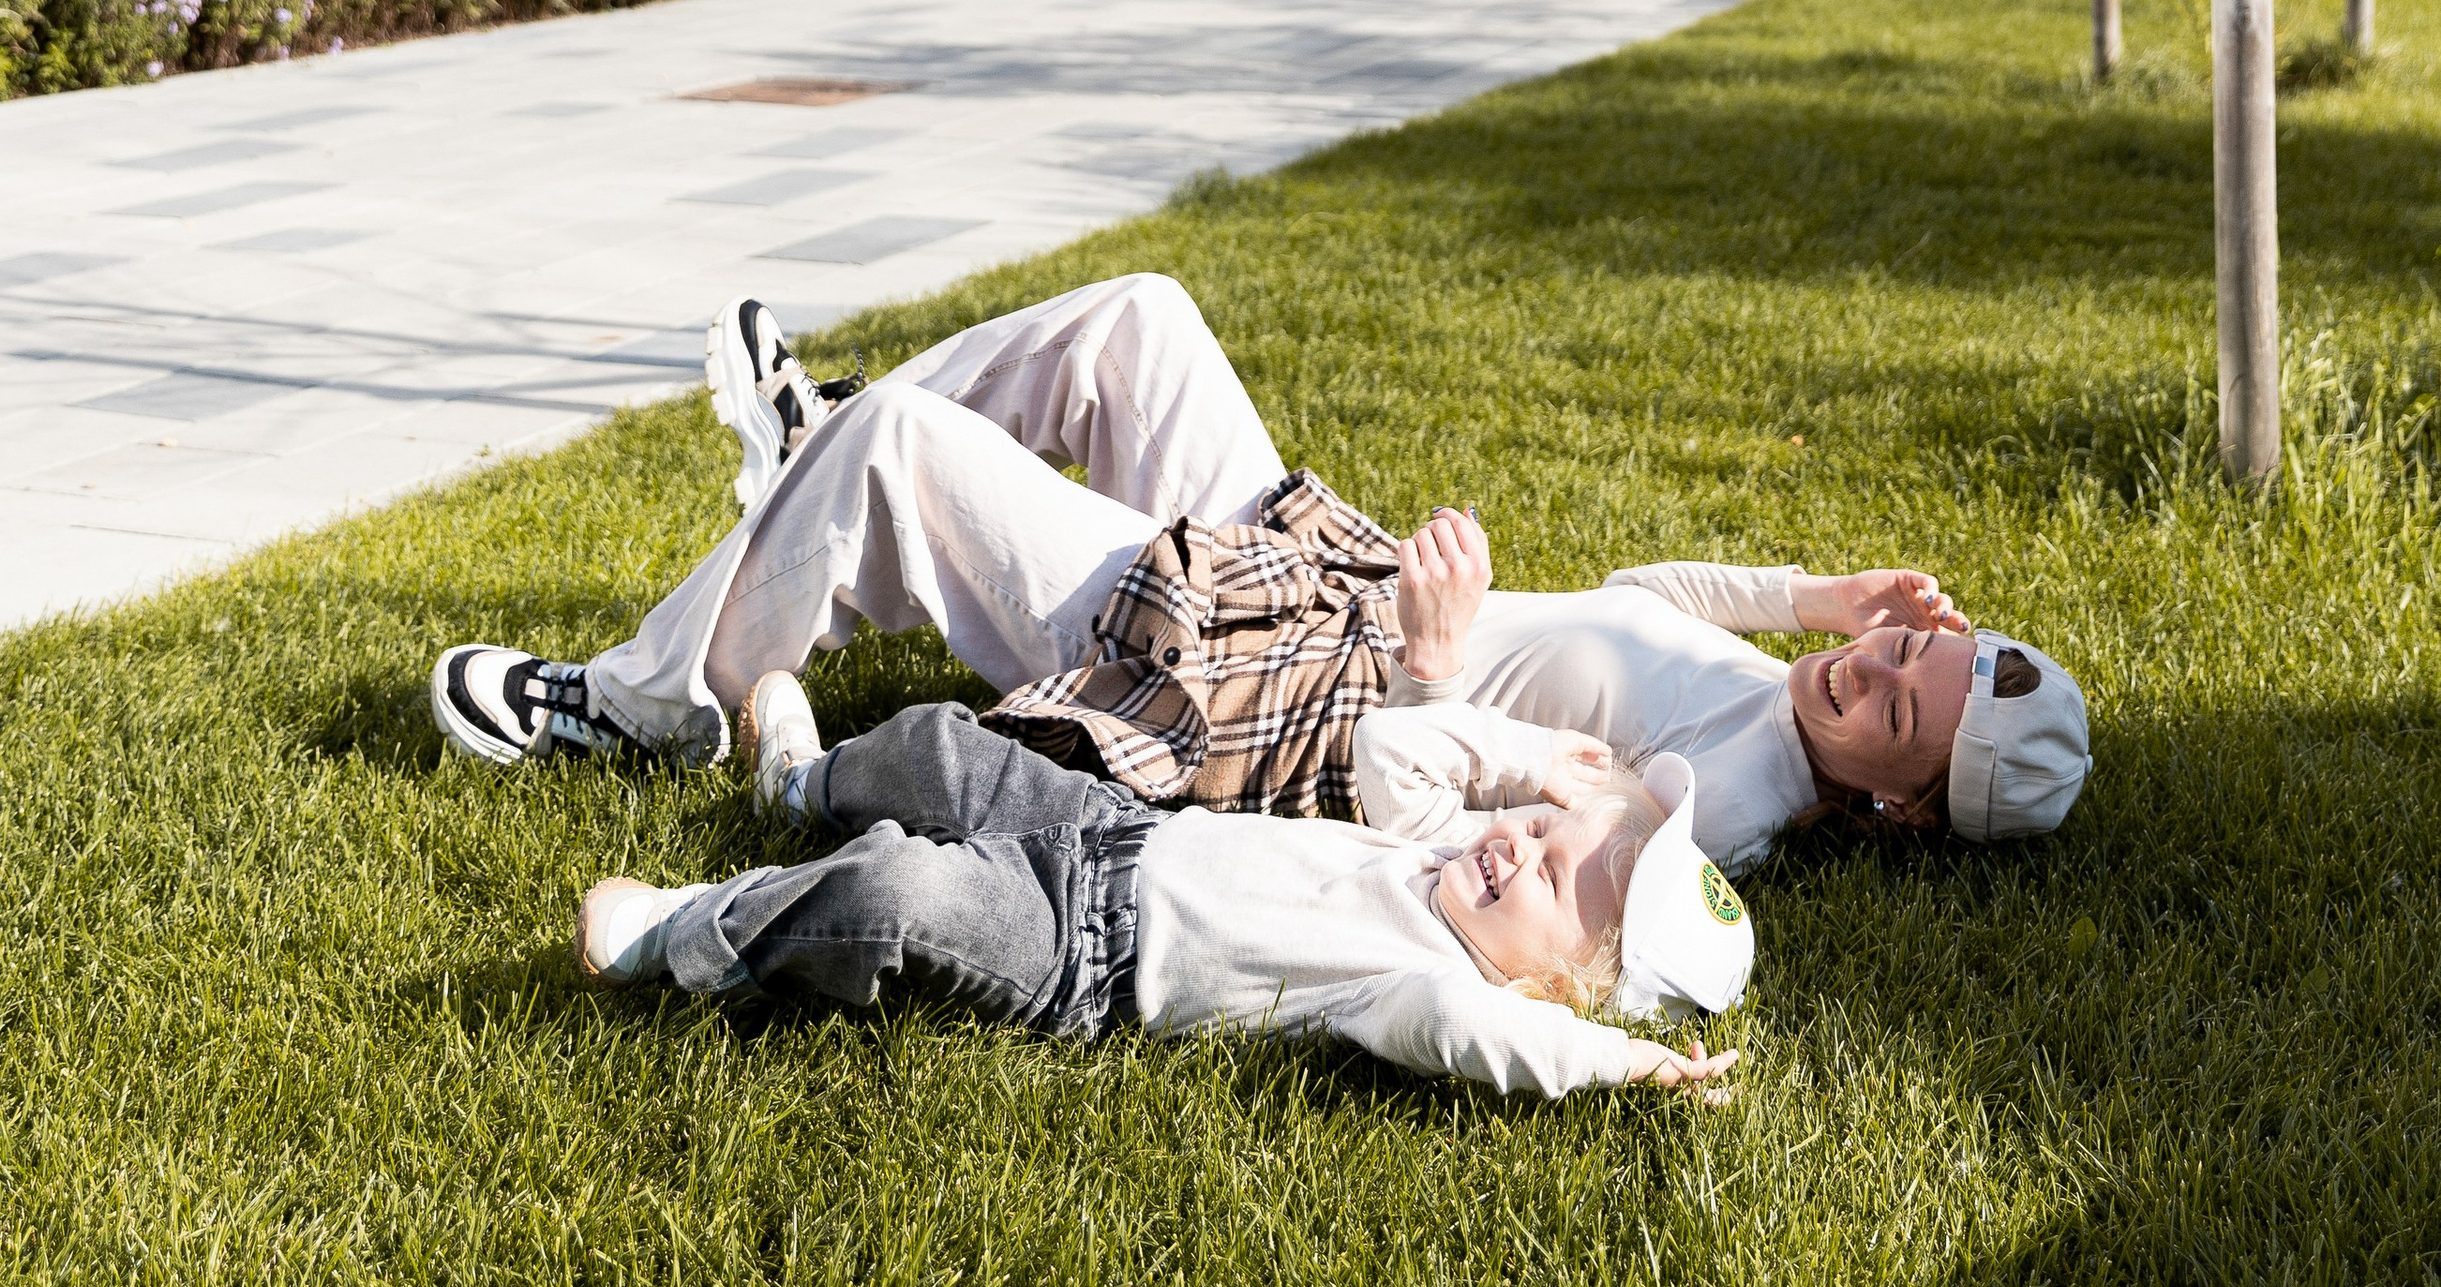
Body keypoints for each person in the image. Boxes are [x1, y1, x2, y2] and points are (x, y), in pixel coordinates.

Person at [433, 271, 2091, 865]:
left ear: (1901, 811)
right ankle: (816, 458)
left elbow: (1465, 842)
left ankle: (650, 703)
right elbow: (1645, 603)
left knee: (898, 456)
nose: (1868, 675)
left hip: (1274, 676)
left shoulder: (1732, 804)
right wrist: (1808, 596)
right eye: (1905, 652)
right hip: (1325, 573)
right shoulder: (1784, 695)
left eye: (1897, 710)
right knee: (1141, 319)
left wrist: (1435, 664)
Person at [569, 667, 1751, 1106]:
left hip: (1084, 953)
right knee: (935, 746)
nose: (1517, 848)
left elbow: (1484, 1040)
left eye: (1548, 875)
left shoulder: (1424, 984)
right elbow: (1391, 750)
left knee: (898, 897)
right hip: (1115, 828)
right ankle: (801, 783)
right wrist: (1526, 764)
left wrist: (1631, 1062)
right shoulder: (1437, 856)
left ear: (1554, 989)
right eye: (1537, 829)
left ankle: (694, 933)